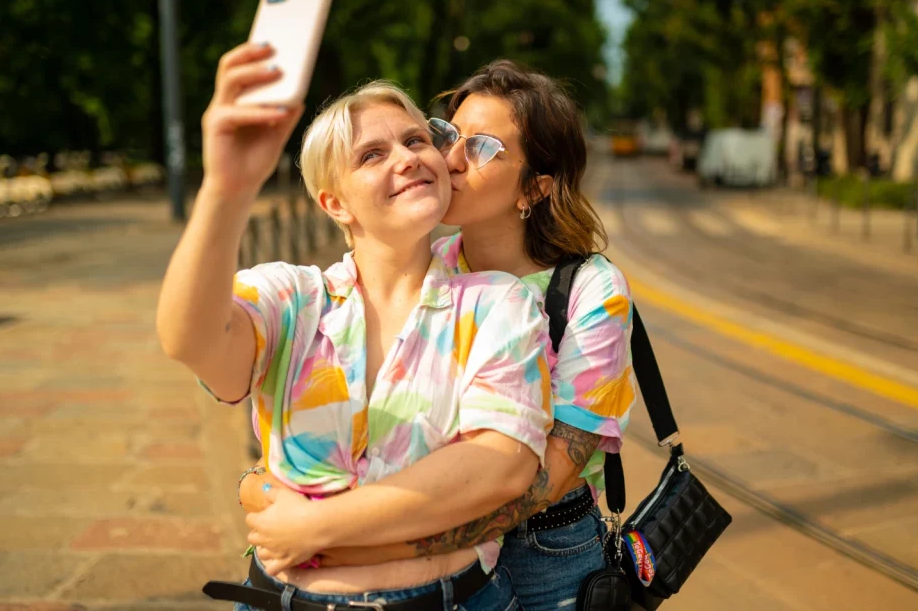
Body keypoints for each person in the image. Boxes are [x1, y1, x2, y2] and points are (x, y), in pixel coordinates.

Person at [156, 42, 555, 610]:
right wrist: (226, 188)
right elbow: (190, 340)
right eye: (371, 155)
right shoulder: (294, 298)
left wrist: (316, 529)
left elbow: (500, 467)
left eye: (416, 140)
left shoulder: (497, 304)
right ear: (334, 203)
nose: (407, 157)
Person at [240, 60, 636, 611]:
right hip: (414, 524)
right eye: (449, 134)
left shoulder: (594, 292)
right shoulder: (430, 262)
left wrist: (331, 539)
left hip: (545, 554)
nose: (446, 158)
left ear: (536, 187)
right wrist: (262, 483)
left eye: (481, 148)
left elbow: (539, 480)